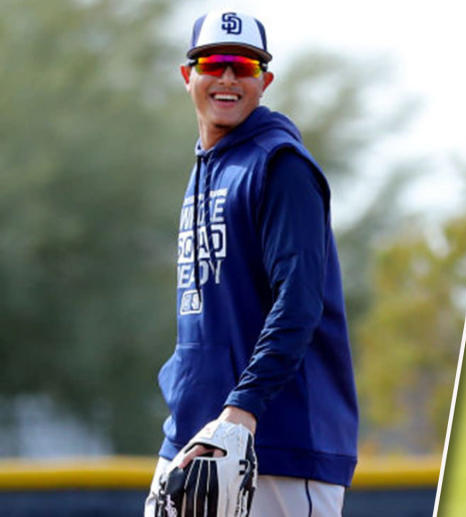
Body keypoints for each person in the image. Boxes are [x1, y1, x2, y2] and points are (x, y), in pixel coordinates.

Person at [144, 10, 358, 517]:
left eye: (243, 66)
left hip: (277, 443)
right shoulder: (207, 168)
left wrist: (242, 411)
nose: (227, 77)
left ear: (265, 80)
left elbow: (299, 302)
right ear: (186, 75)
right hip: (190, 439)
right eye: (213, 62)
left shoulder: (280, 165)